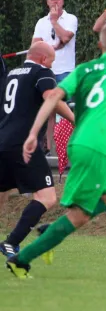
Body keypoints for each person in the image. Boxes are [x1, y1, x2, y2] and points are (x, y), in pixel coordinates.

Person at [6, 23, 106, 279]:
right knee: (78, 216)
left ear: (100, 47)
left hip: (80, 144)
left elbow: (53, 97)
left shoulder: (84, 69)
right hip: (96, 147)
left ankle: (50, 232)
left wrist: (34, 134)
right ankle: (21, 259)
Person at [0, 42, 74, 258]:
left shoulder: (12, 73)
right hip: (24, 144)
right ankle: (11, 242)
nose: (51, 65)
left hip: (3, 140)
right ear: (43, 59)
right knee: (47, 197)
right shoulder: (42, 72)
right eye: (51, 61)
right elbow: (51, 98)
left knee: (2, 192)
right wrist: (74, 119)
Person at [32, 0, 78, 154]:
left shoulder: (70, 18)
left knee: (65, 108)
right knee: (48, 108)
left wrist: (54, 21)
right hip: (46, 70)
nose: (55, 2)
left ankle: (69, 147)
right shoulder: (40, 22)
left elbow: (65, 38)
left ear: (63, 1)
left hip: (65, 71)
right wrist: (51, 46)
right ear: (47, 2)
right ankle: (49, 146)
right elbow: (35, 46)